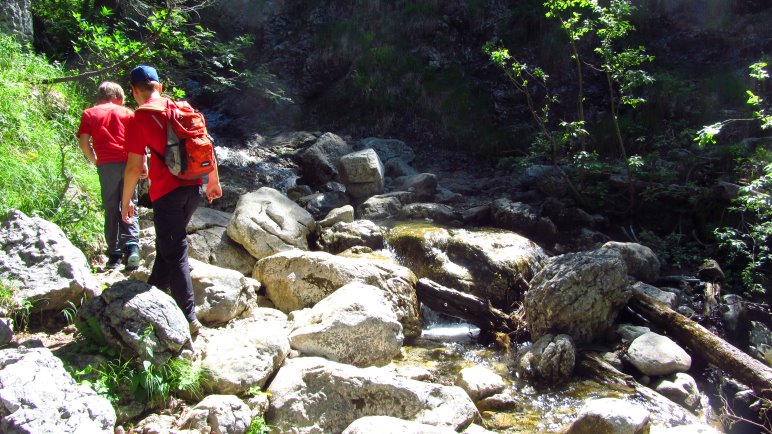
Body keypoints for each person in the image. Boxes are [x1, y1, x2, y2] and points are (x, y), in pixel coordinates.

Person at [120, 65, 222, 335]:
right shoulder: (183, 109)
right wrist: (213, 181)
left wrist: (125, 200)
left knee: (175, 248)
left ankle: (189, 318)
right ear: (160, 87)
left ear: (134, 91)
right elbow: (205, 146)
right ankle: (154, 290)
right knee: (168, 242)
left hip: (166, 192)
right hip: (193, 188)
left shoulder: (140, 117)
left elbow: (133, 167)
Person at [77, 81, 143, 270]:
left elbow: (84, 143)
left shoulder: (89, 113)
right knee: (130, 203)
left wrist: (95, 160)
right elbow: (137, 141)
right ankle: (132, 249)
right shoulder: (128, 113)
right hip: (129, 162)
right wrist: (142, 163)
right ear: (117, 97)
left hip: (106, 164)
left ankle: (114, 256)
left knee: (111, 207)